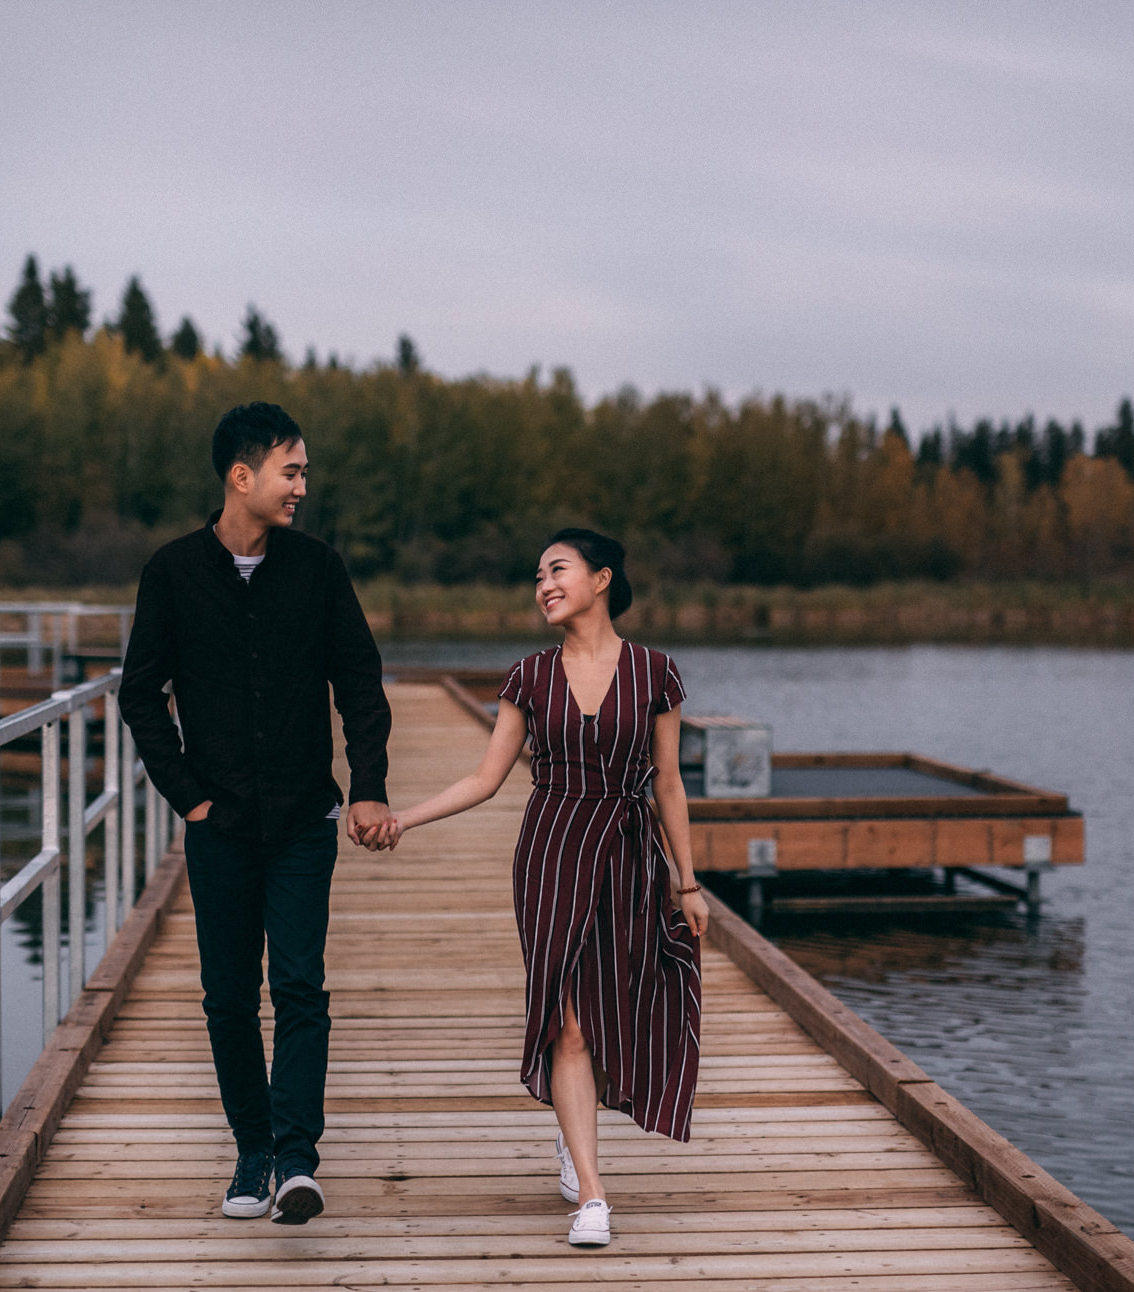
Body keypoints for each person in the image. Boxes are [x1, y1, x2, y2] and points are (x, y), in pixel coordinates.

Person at [381, 528, 707, 1248]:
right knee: (568, 1022)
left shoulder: (656, 671)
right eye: (537, 576)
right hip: (552, 853)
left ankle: (574, 1127)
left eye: (557, 570)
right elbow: (484, 778)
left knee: (609, 1010)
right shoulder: (528, 674)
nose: (544, 585)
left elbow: (671, 783)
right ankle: (592, 1195)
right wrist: (405, 817)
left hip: (627, 855)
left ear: (601, 579)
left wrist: (688, 881)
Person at [118, 401, 394, 1226]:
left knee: (301, 984)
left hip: (307, 818)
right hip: (222, 825)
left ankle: (298, 1158)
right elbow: (139, 695)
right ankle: (253, 1149)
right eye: (292, 469)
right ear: (241, 476)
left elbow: (362, 683)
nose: (303, 485)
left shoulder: (318, 568)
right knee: (229, 994)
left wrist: (369, 783)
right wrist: (188, 795)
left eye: (303, 471)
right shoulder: (171, 572)